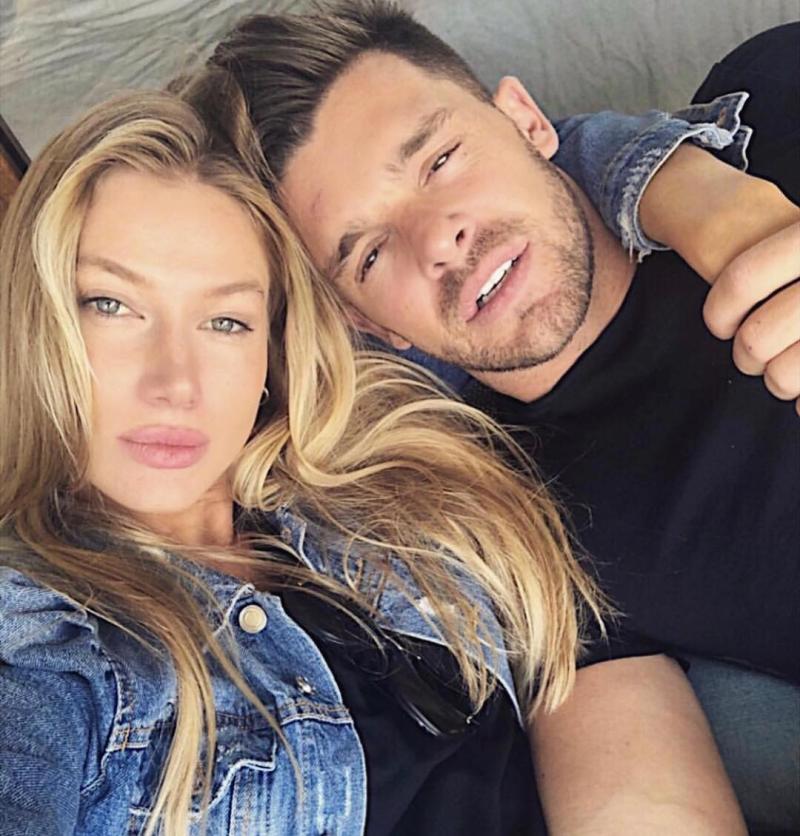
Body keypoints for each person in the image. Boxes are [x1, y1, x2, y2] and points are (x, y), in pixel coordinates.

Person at [0, 85, 749, 834]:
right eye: (111, 305)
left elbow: (520, 165)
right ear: (35, 318)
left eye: (227, 320)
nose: (176, 383)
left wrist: (695, 191)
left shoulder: (394, 480)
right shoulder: (41, 644)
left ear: (272, 351)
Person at [204, 4, 800, 832]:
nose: (439, 239)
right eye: (369, 252)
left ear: (526, 120)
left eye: (440, 161)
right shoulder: (530, 535)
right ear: (369, 324)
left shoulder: (773, 99)